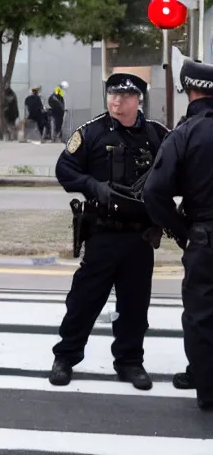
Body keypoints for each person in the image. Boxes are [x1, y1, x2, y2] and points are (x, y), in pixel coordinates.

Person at [49, 72, 169, 390]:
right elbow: (64, 169)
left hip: (140, 237)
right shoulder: (91, 133)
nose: (117, 101)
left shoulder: (158, 135)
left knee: (134, 305)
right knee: (84, 301)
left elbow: (179, 172)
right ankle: (65, 357)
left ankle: (130, 362)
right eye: (113, 95)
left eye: (125, 96)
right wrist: (94, 187)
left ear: (138, 99)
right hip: (102, 233)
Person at [142, 58, 213, 411]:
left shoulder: (186, 133)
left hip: (205, 236)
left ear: (189, 90)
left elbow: (154, 192)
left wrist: (182, 231)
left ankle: (206, 385)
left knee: (202, 312)